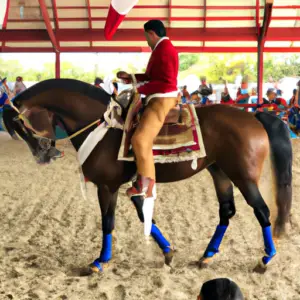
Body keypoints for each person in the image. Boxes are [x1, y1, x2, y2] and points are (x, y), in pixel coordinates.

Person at [116, 19, 179, 236]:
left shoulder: (165, 50)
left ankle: (145, 186)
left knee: (140, 140)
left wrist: (138, 86)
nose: (145, 39)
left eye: (145, 36)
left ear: (150, 33)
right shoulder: (161, 48)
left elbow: (166, 82)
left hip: (162, 98)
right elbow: (153, 77)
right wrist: (132, 78)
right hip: (157, 94)